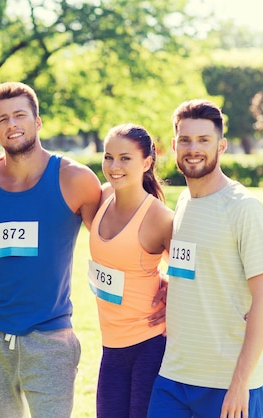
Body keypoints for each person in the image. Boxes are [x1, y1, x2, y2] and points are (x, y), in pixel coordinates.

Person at [0, 81, 102, 418]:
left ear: (37, 121)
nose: (12, 125)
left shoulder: (75, 180)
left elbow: (109, 243)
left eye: (20, 115)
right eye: (2, 119)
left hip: (51, 335)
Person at [147, 99, 263, 418]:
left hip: (228, 383)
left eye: (204, 140)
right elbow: (193, 268)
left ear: (221, 145)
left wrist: (240, 383)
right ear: (173, 145)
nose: (193, 148)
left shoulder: (243, 208)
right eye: (185, 140)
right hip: (174, 376)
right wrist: (168, 287)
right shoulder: (185, 202)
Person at [89, 124, 172, 418]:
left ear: (147, 163)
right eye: (108, 157)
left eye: (125, 158)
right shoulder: (99, 199)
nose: (114, 166)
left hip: (149, 345)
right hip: (110, 346)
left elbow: (190, 273)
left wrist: (172, 292)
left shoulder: (160, 218)